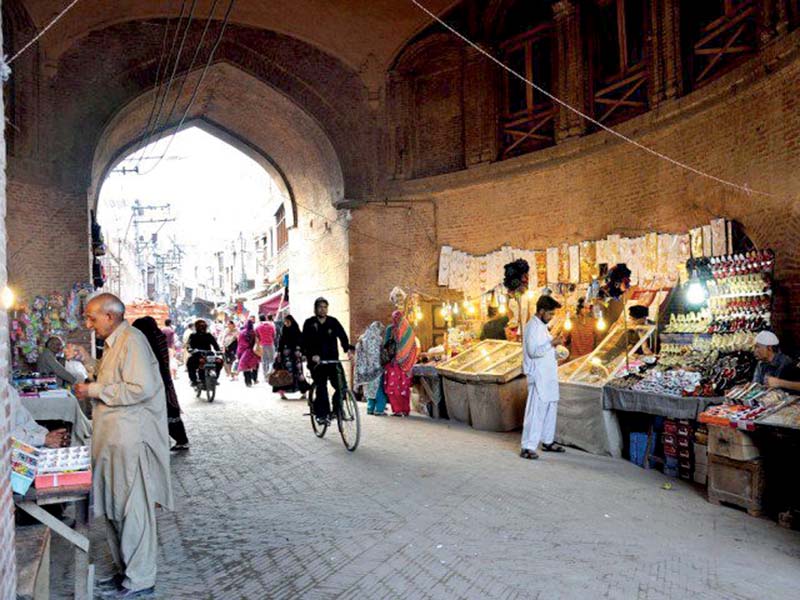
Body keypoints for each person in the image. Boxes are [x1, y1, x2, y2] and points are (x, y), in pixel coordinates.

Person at [71, 293, 172, 598]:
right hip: (113, 441)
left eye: (92, 318)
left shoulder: (133, 341)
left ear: (110, 317)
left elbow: (140, 388)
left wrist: (93, 389)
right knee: (115, 510)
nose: (88, 324)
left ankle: (140, 581)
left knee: (133, 511)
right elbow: (109, 375)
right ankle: (125, 573)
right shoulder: (115, 343)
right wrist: (87, 362)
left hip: (130, 440)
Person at [133, 317, 189, 452]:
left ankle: (177, 440)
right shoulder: (159, 337)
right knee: (169, 411)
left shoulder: (146, 342)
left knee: (165, 412)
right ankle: (179, 440)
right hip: (164, 380)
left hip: (155, 382)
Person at [520, 295, 566, 460]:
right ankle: (527, 446)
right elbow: (533, 351)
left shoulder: (542, 327)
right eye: (550, 314)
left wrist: (556, 351)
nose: (551, 317)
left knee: (549, 409)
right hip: (538, 376)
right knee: (536, 411)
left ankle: (547, 441)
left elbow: (545, 350)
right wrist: (552, 343)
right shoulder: (532, 327)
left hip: (548, 375)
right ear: (541, 311)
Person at [302, 297, 354, 423]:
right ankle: (322, 414)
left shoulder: (333, 322)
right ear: (315, 309)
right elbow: (304, 342)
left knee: (341, 386)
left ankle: (337, 410)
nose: (323, 309)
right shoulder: (309, 323)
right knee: (322, 386)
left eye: (325, 307)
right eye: (320, 307)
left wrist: (348, 350)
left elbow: (342, 336)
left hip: (332, 361)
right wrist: (312, 355)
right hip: (317, 363)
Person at [383, 310, 419, 417]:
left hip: (394, 365)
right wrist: (407, 360)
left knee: (393, 388)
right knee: (404, 388)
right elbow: (413, 348)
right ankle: (405, 409)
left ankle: (398, 410)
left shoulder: (391, 329)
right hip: (406, 365)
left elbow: (386, 345)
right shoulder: (409, 330)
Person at [271, 315, 310, 399]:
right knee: (285, 374)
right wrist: (278, 353)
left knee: (298, 374)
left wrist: (303, 353)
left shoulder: (297, 331)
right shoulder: (284, 331)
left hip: (296, 356)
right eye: (285, 322)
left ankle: (303, 392)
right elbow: (280, 343)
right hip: (286, 357)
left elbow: (302, 343)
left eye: (288, 322)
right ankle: (282, 393)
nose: (286, 323)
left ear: (292, 321)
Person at [355, 321, 386, 415]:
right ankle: (379, 409)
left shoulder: (362, 338)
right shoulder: (378, 339)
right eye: (381, 330)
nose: (381, 332)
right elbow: (380, 353)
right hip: (376, 368)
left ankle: (370, 408)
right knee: (378, 389)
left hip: (365, 369)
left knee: (369, 389)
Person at [186, 320, 221, 387]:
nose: (202, 328)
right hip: (197, 355)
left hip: (209, 355)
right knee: (190, 363)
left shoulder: (208, 335)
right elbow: (189, 345)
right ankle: (194, 380)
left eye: (203, 326)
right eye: (200, 326)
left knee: (219, 361)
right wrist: (190, 349)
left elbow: (215, 344)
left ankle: (215, 379)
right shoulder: (193, 335)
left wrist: (218, 351)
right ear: (197, 327)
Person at [237, 319, 260, 387]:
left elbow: (240, 344)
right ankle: (254, 379)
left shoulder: (242, 333)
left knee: (245, 368)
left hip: (244, 352)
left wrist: (238, 354)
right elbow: (258, 342)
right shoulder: (254, 332)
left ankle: (248, 382)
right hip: (253, 352)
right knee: (253, 366)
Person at [256, 313, 277, 381]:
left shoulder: (258, 327)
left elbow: (257, 336)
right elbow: (274, 335)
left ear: (259, 319)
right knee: (271, 360)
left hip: (262, 345)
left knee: (264, 360)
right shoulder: (271, 326)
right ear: (265, 318)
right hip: (270, 344)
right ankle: (271, 374)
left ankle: (265, 377)